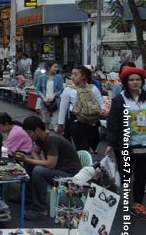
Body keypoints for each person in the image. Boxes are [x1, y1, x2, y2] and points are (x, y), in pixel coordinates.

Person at [18, 116, 82, 220]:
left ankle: (40, 209)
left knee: (38, 171)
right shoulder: (41, 137)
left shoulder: (52, 139)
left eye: (29, 132)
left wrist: (29, 161)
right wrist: (34, 162)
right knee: (32, 164)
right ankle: (28, 197)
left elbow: (51, 164)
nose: (28, 136)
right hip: (59, 170)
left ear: (37, 130)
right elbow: (34, 152)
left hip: (70, 176)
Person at [105, 67, 146, 220]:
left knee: (141, 176)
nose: (135, 82)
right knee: (126, 175)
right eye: (131, 80)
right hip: (125, 145)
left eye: (138, 79)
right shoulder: (119, 100)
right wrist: (110, 142)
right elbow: (113, 123)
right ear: (126, 82)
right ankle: (126, 201)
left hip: (143, 145)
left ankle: (137, 204)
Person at [57, 65, 106, 151]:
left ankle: (85, 160)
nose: (72, 77)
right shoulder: (68, 90)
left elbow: (101, 102)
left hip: (92, 122)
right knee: (81, 147)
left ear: (83, 76)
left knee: (91, 143)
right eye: (72, 74)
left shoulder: (93, 88)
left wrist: (103, 110)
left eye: (76, 74)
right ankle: (83, 162)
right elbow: (63, 109)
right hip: (76, 122)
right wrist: (60, 124)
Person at [36, 62, 64, 130]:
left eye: (57, 67)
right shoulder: (41, 77)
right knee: (46, 122)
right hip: (44, 103)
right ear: (49, 68)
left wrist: (54, 96)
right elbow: (37, 90)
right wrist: (44, 98)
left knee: (56, 123)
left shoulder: (59, 77)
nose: (56, 69)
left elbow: (61, 90)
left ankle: (56, 138)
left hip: (56, 103)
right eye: (55, 67)